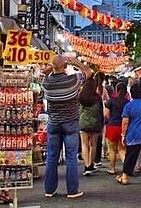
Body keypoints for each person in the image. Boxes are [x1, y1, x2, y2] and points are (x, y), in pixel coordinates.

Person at [41, 55, 91, 199]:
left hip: (54, 124)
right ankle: (72, 191)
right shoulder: (73, 80)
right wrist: (75, 62)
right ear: (65, 66)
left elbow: (43, 73)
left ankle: (49, 190)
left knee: (52, 157)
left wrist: (54, 65)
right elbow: (88, 72)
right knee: (71, 158)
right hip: (70, 123)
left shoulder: (47, 83)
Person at [117, 83, 141, 188]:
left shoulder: (129, 106)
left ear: (132, 93)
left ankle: (124, 177)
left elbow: (125, 122)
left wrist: (123, 135)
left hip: (133, 136)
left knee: (130, 157)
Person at [79, 76, 103, 176]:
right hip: (95, 123)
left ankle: (86, 165)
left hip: (83, 122)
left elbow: (79, 111)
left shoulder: (81, 97)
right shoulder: (98, 98)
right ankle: (90, 165)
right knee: (93, 145)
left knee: (84, 144)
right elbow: (100, 112)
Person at [104, 82, 129, 174]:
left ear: (116, 90)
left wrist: (110, 118)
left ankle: (112, 169)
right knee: (122, 149)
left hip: (112, 127)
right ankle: (126, 168)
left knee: (112, 149)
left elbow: (106, 114)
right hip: (123, 127)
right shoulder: (127, 102)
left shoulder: (110, 101)